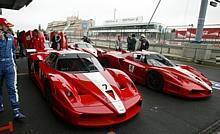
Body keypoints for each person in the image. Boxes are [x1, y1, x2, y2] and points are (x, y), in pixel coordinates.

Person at [0, 18, 26, 120]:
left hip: (10, 66)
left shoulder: (11, 37)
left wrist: (15, 65)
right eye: (6, 26)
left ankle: (16, 111)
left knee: (12, 88)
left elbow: (13, 53)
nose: (8, 28)